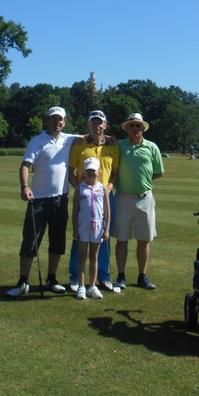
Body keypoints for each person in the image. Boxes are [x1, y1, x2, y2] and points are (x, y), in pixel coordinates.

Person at [6, 106, 79, 297]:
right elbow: (25, 166)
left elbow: (91, 136)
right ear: (47, 121)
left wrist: (111, 138)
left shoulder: (69, 139)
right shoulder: (37, 141)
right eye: (53, 119)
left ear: (65, 122)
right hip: (38, 199)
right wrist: (24, 187)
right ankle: (23, 282)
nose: (57, 122)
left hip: (60, 199)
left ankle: (51, 279)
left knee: (57, 241)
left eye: (60, 119)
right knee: (30, 241)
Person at [67, 109, 121, 293]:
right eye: (93, 122)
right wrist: (81, 190)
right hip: (84, 196)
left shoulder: (113, 146)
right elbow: (70, 172)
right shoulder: (79, 144)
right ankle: (76, 278)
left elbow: (115, 174)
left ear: (105, 125)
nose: (97, 126)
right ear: (88, 125)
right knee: (79, 237)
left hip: (104, 195)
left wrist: (109, 188)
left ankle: (104, 277)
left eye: (100, 122)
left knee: (104, 236)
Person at [114, 112, 164, 290]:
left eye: (138, 125)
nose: (135, 128)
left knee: (144, 239)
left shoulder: (152, 147)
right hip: (123, 198)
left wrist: (142, 182)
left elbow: (158, 172)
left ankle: (142, 276)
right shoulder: (119, 145)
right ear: (127, 128)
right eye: (132, 125)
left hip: (145, 199)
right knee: (122, 239)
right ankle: (121, 276)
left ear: (143, 128)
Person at [71, 157, 110, 300]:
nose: (91, 173)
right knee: (82, 255)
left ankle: (92, 286)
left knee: (94, 256)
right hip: (83, 224)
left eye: (93, 171)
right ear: (84, 172)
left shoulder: (103, 188)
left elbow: (107, 210)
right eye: (88, 171)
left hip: (98, 225)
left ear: (99, 172)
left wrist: (107, 229)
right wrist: (75, 229)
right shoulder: (79, 189)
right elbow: (75, 210)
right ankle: (81, 286)